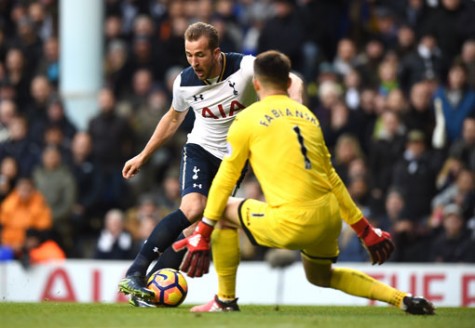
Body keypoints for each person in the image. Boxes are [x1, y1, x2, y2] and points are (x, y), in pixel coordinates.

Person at [173, 50, 434, 315]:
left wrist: (203, 232)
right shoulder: (308, 117)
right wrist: (365, 230)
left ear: (256, 84)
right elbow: (332, 177)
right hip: (328, 218)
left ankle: (224, 300)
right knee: (321, 276)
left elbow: (225, 180)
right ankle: (403, 298)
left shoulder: (247, 119)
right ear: (288, 83)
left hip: (291, 221)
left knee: (221, 211)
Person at [117, 22, 304, 304]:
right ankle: (135, 272)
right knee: (193, 208)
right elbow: (172, 118)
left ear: (216, 53)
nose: (194, 62)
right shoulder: (184, 81)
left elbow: (295, 81)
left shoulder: (245, 68)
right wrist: (143, 155)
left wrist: (296, 111)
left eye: (200, 55)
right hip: (200, 148)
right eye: (189, 54)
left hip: (235, 158)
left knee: (195, 229)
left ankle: (152, 289)